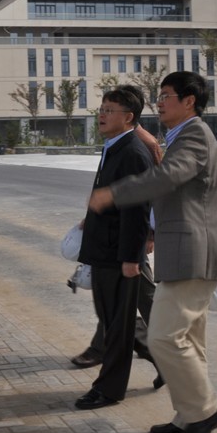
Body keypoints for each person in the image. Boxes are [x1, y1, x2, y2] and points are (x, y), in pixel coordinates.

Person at [88, 71, 217, 433]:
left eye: (166, 95)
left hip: (194, 254)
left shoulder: (194, 135)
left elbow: (168, 176)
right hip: (188, 252)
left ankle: (205, 411)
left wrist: (114, 193)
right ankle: (189, 416)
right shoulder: (182, 135)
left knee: (163, 337)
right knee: (190, 342)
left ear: (189, 101)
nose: (159, 102)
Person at [73, 86, 156, 410]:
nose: (102, 115)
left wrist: (132, 258)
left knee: (117, 328)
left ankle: (108, 390)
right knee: (114, 323)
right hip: (105, 251)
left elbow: (138, 210)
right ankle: (163, 362)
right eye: (102, 109)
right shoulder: (114, 146)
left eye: (110, 110)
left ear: (128, 117)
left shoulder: (132, 152)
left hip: (118, 255)